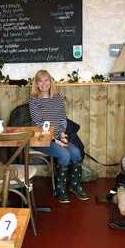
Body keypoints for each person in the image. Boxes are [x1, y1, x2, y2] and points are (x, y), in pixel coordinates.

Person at [29, 69, 89, 204]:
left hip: (58, 136)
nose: (43, 84)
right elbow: (38, 124)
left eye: (46, 80)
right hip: (41, 138)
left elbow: (62, 119)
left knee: (75, 152)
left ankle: (74, 186)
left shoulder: (58, 97)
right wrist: (54, 140)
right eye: (40, 81)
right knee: (64, 155)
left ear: (50, 82)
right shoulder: (34, 100)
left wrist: (62, 135)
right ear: (36, 84)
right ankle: (60, 189)